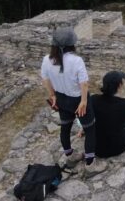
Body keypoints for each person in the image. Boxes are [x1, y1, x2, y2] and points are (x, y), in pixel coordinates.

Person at [40, 27, 106, 174]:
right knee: (90, 129)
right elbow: (83, 83)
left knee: (65, 127)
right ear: (72, 44)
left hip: (61, 98)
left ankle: (70, 156)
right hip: (77, 99)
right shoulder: (76, 60)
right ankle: (90, 164)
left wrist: (53, 95)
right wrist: (83, 101)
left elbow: (45, 79)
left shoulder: (46, 60)